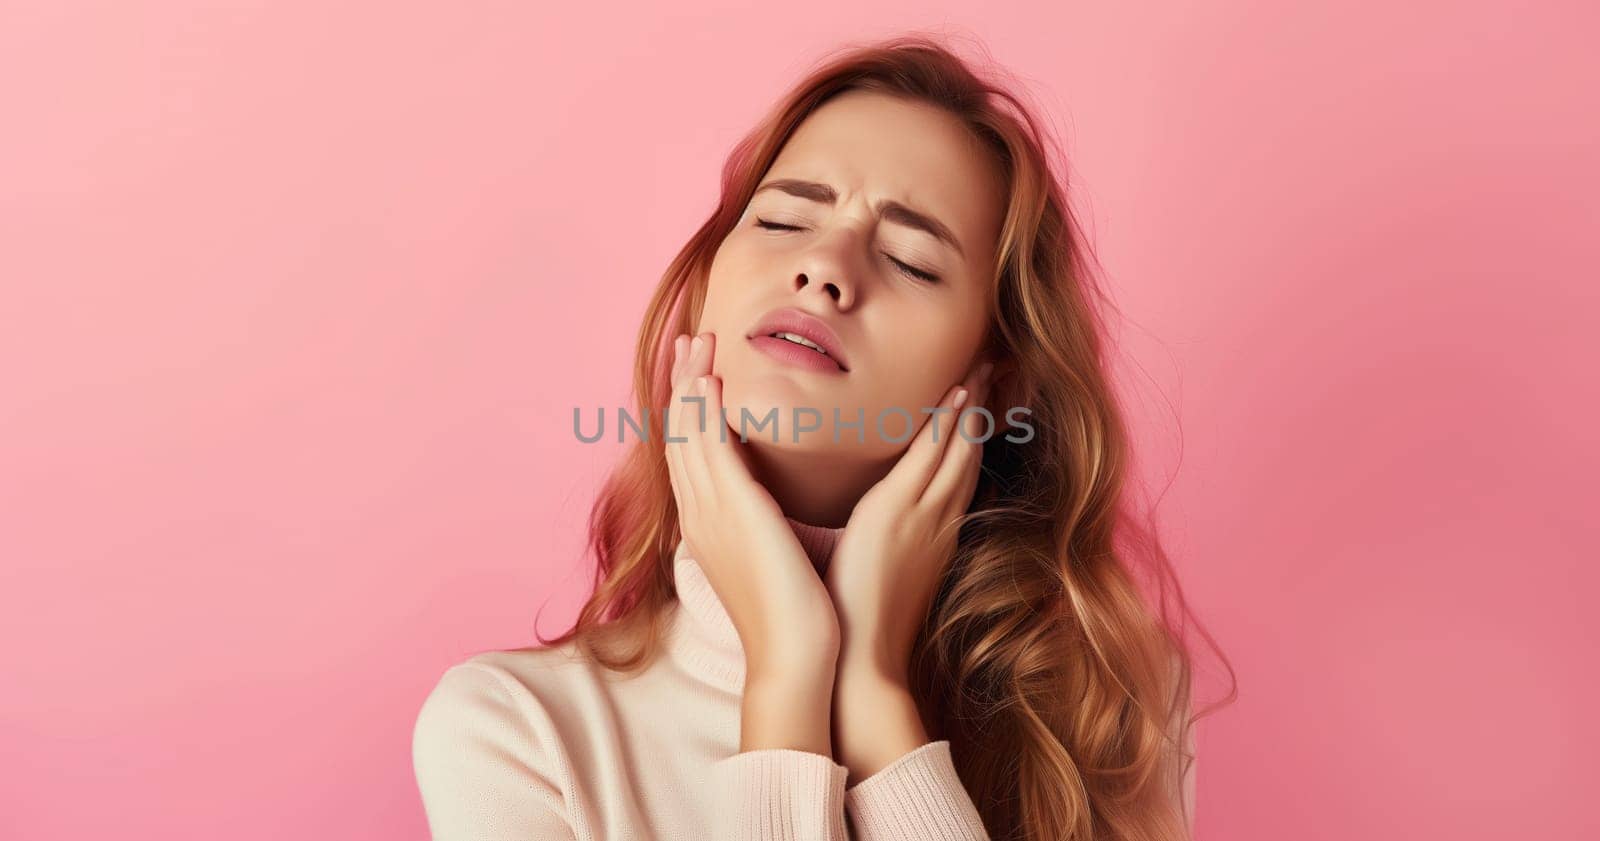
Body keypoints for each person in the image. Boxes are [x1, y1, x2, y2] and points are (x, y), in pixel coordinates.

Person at [413, 33, 1230, 841]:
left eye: (911, 260)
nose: (824, 267)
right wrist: (786, 667)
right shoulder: (517, 737)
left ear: (997, 377)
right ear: (702, 289)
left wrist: (875, 691)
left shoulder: (1111, 708)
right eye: (781, 219)